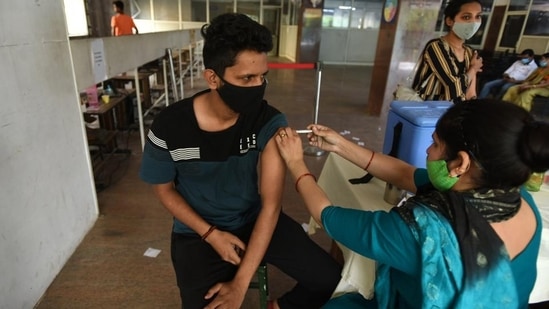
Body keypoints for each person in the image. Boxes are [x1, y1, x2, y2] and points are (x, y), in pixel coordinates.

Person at [139, 13, 341, 309]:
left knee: (329, 279)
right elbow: (164, 190)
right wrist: (211, 235)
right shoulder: (170, 127)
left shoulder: (267, 121)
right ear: (213, 78)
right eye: (247, 78)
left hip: (253, 220)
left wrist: (239, 284)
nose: (259, 86)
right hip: (196, 231)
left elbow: (271, 205)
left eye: (262, 76)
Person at [275, 99, 547, 308]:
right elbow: (405, 174)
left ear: (461, 163)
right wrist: (340, 145)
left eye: (435, 144)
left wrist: (296, 163)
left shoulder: (425, 233)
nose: (428, 151)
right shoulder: (520, 200)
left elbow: (326, 214)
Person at [412, 0, 484, 102]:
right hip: (427, 110)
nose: (473, 23)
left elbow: (471, 93)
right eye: (466, 17)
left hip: (455, 113)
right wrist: (473, 69)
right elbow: (452, 88)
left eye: (477, 16)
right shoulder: (436, 46)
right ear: (449, 21)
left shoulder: (470, 52)